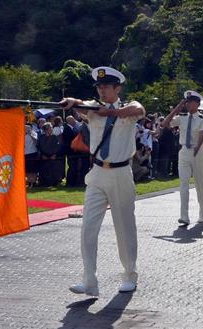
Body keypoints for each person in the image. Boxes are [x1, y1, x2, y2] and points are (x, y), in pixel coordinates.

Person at [61, 66, 144, 297]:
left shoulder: (128, 110)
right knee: (88, 227)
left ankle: (129, 274)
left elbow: (140, 108)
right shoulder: (93, 109)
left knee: (124, 227)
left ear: (118, 88)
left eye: (106, 87)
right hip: (97, 174)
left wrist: (113, 113)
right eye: (99, 87)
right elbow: (78, 104)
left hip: (120, 174)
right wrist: (70, 100)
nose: (102, 91)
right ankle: (89, 280)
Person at [162, 90, 203, 225]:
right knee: (183, 184)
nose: (188, 104)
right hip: (184, 151)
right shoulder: (181, 117)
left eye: (191, 102)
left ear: (197, 104)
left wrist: (196, 149)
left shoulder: (202, 119)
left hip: (197, 152)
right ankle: (184, 216)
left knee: (200, 183)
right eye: (187, 102)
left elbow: (201, 136)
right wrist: (177, 107)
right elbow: (165, 123)